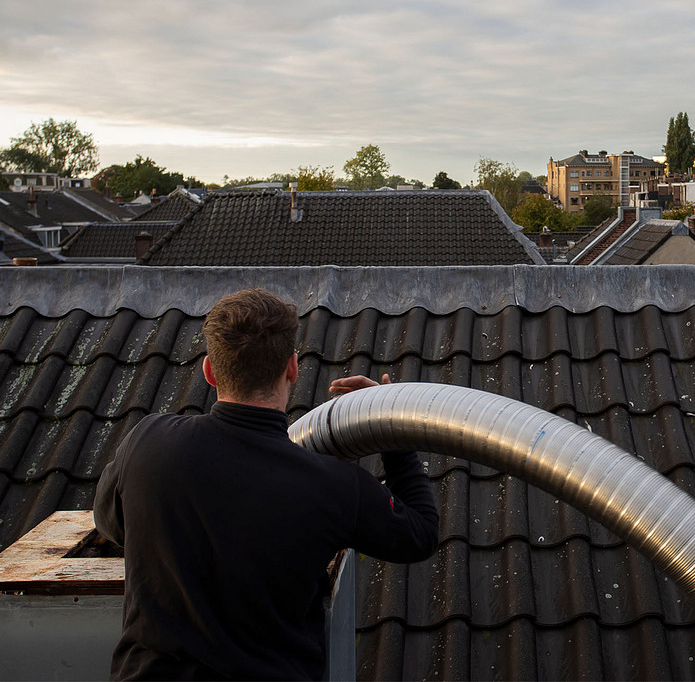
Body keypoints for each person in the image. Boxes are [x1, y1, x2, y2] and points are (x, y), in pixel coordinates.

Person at [94, 288, 439, 680]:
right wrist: (393, 430)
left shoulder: (146, 442)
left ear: (209, 370)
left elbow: (109, 523)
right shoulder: (334, 485)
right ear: (292, 368)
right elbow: (421, 534)